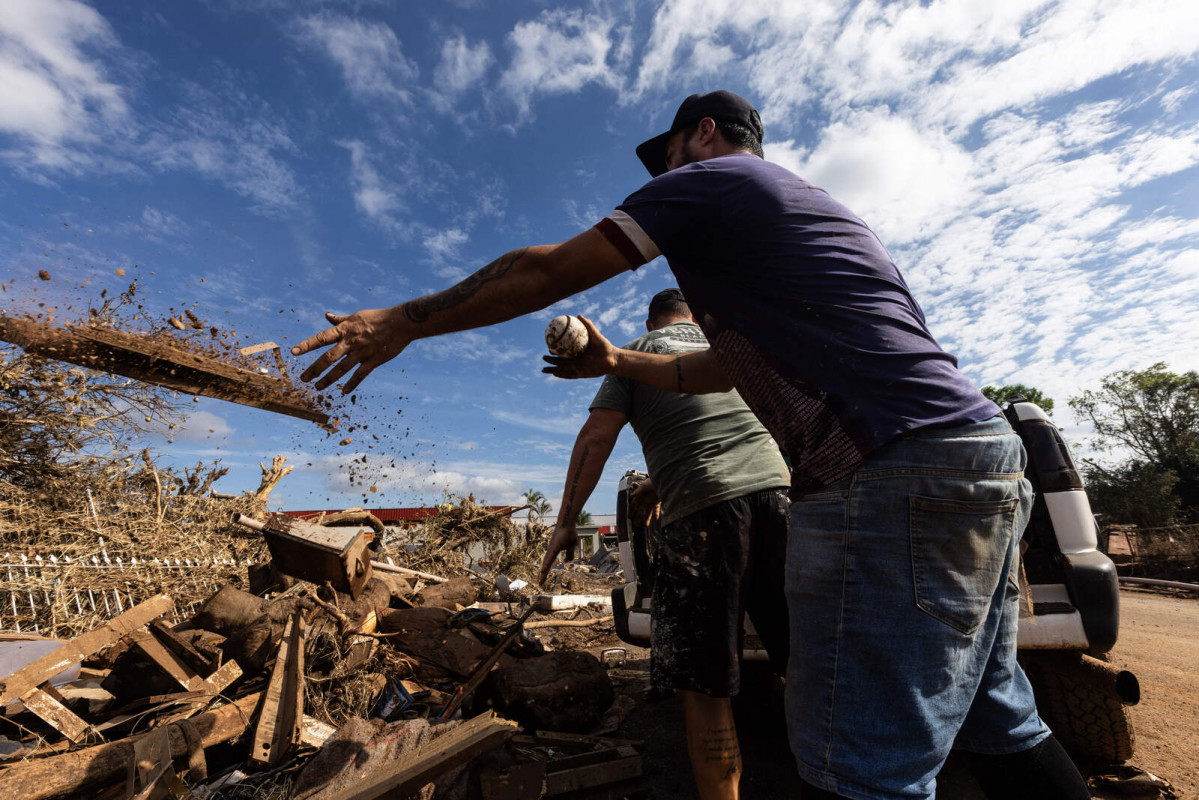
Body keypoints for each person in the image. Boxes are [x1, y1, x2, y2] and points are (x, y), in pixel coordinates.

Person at [292, 90, 1091, 800]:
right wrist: (611, 360)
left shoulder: (713, 183)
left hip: (888, 473)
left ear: (703, 134)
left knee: (861, 763)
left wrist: (402, 320)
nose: (663, 170)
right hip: (971, 455)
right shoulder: (801, 218)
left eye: (667, 152)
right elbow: (718, 368)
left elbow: (548, 270)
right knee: (995, 711)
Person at [539, 287, 791, 800]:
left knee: (705, 687)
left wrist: (566, 521)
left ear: (651, 322)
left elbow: (596, 438)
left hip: (703, 513)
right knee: (805, 663)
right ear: (692, 316)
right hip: (783, 501)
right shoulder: (732, 347)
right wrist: (657, 482)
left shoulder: (633, 354)